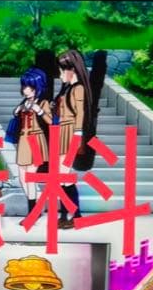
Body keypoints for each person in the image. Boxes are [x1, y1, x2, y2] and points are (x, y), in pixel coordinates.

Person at [54, 49, 95, 229]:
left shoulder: (78, 89)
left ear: (72, 69)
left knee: (64, 177)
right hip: (63, 132)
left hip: (71, 134)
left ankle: (74, 215)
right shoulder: (68, 88)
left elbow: (81, 114)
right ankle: (67, 214)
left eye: (62, 70)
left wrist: (78, 135)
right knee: (62, 178)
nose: (60, 75)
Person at [12, 68, 52, 215]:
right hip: (23, 140)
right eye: (24, 86)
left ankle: (33, 211)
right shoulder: (24, 102)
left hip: (35, 139)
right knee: (22, 176)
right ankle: (35, 205)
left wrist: (39, 111)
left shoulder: (43, 102)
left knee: (30, 176)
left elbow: (50, 121)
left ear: (36, 87)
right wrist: (17, 111)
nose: (25, 90)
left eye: (28, 86)